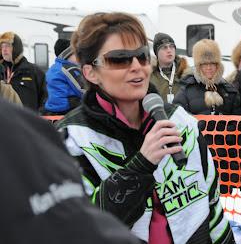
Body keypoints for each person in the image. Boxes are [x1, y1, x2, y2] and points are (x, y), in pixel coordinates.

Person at [56, 12, 234, 243]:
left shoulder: (181, 121)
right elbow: (80, 228)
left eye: (141, 56)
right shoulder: (72, 138)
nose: (136, 67)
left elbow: (212, 207)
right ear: (91, 72)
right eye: (119, 59)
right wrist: (140, 167)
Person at [0, 95, 140, 244]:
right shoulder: (72, 130)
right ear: (91, 74)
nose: (137, 70)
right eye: (119, 68)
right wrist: (143, 165)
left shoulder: (22, 124)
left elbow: (69, 213)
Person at [173, 39, 241, 115]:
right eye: (204, 64)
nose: (209, 68)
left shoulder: (230, 91)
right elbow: (179, 121)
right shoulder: (186, 91)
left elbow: (238, 122)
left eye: (212, 63)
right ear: (198, 66)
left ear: (218, 65)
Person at [0, 32, 48, 112]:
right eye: (2, 47)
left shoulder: (34, 71)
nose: (4, 49)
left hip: (27, 121)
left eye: (8, 46)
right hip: (4, 121)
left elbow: (46, 98)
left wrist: (38, 116)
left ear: (16, 48)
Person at [41, 39, 85, 116]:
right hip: (67, 105)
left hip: (54, 105)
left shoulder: (54, 68)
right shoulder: (69, 69)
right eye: (74, 54)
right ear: (66, 55)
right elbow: (81, 88)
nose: (78, 57)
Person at [150, 33, 191, 103]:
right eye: (164, 47)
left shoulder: (187, 74)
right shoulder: (149, 76)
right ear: (157, 52)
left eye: (171, 46)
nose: (169, 50)